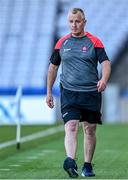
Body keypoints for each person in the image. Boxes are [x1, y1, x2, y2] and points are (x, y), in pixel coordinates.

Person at [46, 8, 111, 178]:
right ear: (68, 22)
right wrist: (49, 92)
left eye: (77, 21)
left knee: (89, 130)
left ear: (84, 22)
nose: (74, 25)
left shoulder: (94, 42)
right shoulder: (62, 43)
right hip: (69, 92)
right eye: (71, 21)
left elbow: (105, 63)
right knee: (71, 126)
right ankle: (70, 161)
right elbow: (53, 68)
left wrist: (103, 79)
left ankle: (87, 165)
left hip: (91, 92)